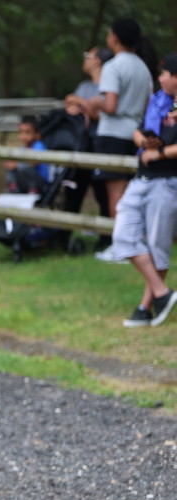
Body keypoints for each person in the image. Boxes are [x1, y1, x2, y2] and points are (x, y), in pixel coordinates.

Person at [114, 53, 177, 328]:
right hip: (141, 178)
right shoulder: (158, 102)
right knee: (123, 236)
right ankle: (163, 293)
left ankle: (144, 308)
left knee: (157, 245)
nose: (160, 78)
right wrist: (143, 141)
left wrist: (160, 153)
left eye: (164, 74)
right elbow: (138, 131)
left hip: (168, 182)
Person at [87, 18, 154, 263]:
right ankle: (134, 241)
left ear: (115, 37)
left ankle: (120, 246)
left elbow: (111, 106)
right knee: (132, 193)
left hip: (113, 134)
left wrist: (96, 103)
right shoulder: (143, 68)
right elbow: (147, 107)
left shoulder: (113, 66)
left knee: (116, 193)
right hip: (134, 134)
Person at [62, 47, 113, 248]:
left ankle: (106, 239)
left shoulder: (109, 87)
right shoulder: (84, 86)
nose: (85, 59)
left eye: (88, 56)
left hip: (100, 147)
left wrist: (82, 104)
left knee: (102, 193)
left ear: (97, 61)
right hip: (80, 146)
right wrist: (85, 104)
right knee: (73, 191)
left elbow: (101, 114)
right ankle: (62, 236)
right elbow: (70, 103)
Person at [3, 115, 50, 194]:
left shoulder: (39, 146)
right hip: (24, 182)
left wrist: (16, 164)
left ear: (37, 135)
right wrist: (11, 163)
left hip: (40, 184)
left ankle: (33, 190)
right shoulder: (23, 148)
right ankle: (13, 186)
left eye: (27, 132)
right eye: (21, 132)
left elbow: (34, 162)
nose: (23, 136)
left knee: (22, 166)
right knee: (8, 162)